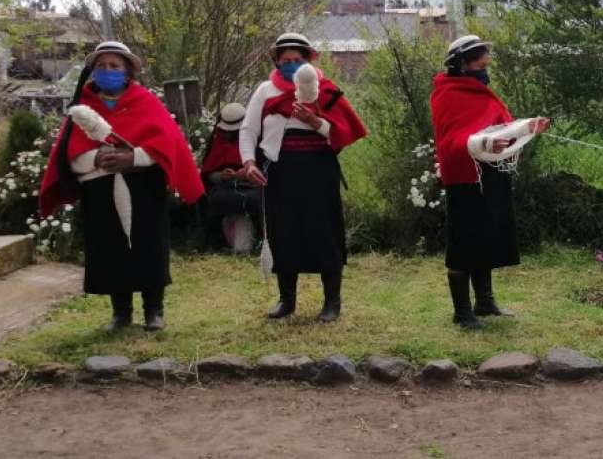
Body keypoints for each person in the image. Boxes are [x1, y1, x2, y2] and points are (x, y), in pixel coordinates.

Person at [39, 41, 204, 331]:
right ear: (93, 72)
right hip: (100, 192)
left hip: (144, 188)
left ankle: (154, 310)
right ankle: (121, 312)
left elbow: (166, 143)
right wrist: (95, 158)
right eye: (101, 66)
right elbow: (68, 153)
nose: (108, 70)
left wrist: (132, 157)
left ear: (127, 72)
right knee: (111, 249)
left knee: (149, 247)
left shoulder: (146, 102)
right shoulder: (82, 108)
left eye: (114, 66)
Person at [240, 33, 368, 323]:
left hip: (318, 171)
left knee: (324, 232)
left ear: (308, 60)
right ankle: (286, 300)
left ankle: (332, 302)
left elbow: (341, 132)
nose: (292, 65)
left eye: (297, 60)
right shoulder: (265, 91)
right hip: (279, 172)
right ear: (277, 62)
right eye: (286, 60)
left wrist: (314, 121)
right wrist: (248, 162)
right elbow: (249, 129)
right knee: (283, 232)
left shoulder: (325, 90)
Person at [430, 35, 550, 329]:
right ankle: (462, 312)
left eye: (485, 65)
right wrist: (484, 144)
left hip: (492, 175)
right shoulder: (446, 94)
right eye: (479, 65)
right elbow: (450, 142)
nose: (484, 70)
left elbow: (502, 128)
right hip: (464, 177)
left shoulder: (483, 93)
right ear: (461, 64)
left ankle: (484, 302)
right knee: (463, 242)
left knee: (486, 236)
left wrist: (527, 129)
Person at [199, 103, 261, 252]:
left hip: (253, 187)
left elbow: (266, 167)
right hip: (224, 188)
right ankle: (217, 241)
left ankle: (258, 239)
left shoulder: (257, 139)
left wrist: (248, 174)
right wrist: (221, 176)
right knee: (216, 200)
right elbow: (207, 174)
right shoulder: (217, 140)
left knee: (257, 200)